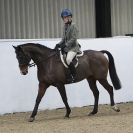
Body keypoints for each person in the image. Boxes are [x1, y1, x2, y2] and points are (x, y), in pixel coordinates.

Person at [55, 9, 81, 82]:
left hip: (73, 47)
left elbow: (74, 38)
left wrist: (65, 45)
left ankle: (74, 75)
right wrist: (58, 44)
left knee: (68, 59)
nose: (64, 19)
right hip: (67, 48)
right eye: (63, 18)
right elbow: (63, 38)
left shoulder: (73, 26)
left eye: (66, 17)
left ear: (70, 18)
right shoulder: (65, 27)